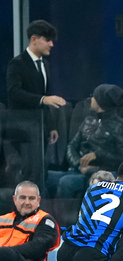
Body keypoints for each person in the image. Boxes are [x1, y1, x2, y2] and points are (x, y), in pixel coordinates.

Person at [5, 20, 66, 188]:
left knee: (39, 171)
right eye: (47, 40)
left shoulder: (45, 65)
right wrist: (42, 100)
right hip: (21, 128)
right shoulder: (17, 64)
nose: (51, 45)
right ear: (34, 39)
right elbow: (13, 92)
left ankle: (37, 209)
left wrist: (51, 126)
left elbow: (46, 97)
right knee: (28, 171)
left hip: (39, 129)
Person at [46, 84, 123, 199]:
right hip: (78, 170)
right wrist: (79, 165)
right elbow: (71, 146)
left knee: (66, 182)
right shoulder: (88, 120)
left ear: (101, 101)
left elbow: (121, 158)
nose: (91, 99)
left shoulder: (120, 126)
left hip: (99, 173)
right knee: (45, 176)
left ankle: (70, 216)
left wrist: (97, 156)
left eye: (94, 96)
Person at [0, 181, 60, 261]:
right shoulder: (2, 219)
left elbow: (37, 247)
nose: (27, 202)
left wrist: (6, 253)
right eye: (22, 198)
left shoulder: (45, 220)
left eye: (31, 198)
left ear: (38, 200)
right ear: (15, 199)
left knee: (5, 253)